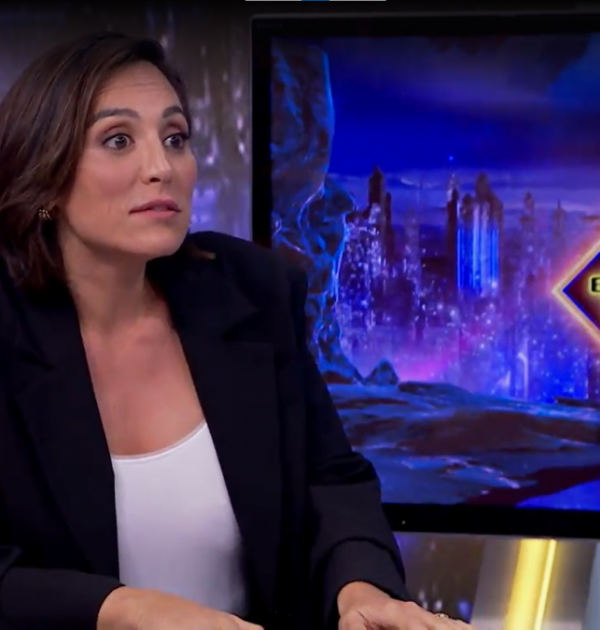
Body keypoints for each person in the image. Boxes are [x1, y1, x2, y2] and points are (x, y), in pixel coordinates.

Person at [0, 32, 471, 630]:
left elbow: (331, 483)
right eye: (118, 140)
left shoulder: (251, 291)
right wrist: (126, 609)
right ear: (45, 172)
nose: (162, 168)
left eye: (176, 138)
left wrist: (360, 590)